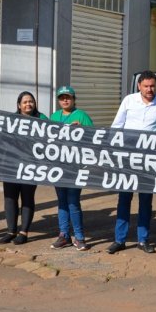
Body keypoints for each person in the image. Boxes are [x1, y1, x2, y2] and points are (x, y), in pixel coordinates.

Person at [107, 70, 156, 255]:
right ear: (139, 86)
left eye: (152, 86)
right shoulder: (129, 101)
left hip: (149, 159)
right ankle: (119, 240)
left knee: (146, 200)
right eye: (146, 86)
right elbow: (117, 126)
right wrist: (113, 150)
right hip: (127, 157)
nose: (149, 89)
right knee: (124, 199)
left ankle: (143, 240)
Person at [0, 92, 46, 245]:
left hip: (31, 166)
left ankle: (24, 232)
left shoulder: (42, 119)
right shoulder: (11, 120)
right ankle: (11, 231)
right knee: (10, 198)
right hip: (11, 166)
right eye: (25, 102)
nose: (28, 104)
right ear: (19, 105)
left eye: (31, 101)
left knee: (27, 197)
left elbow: (54, 135)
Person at [49, 86, 93, 251]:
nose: (65, 100)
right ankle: (64, 235)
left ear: (74, 99)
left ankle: (79, 237)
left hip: (75, 166)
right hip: (58, 165)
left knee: (73, 201)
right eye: (62, 98)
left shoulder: (82, 116)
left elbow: (93, 137)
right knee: (62, 201)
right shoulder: (54, 116)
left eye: (68, 97)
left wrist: (82, 130)